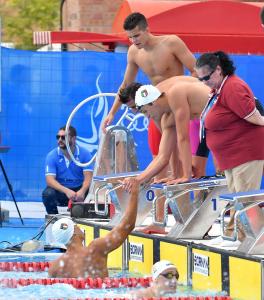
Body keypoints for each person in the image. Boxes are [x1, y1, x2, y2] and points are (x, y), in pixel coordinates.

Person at [102, 12, 196, 160]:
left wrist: (187, 96)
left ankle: (184, 176)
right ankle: (167, 179)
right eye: (130, 37)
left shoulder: (171, 43)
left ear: (147, 29)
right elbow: (126, 84)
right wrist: (112, 113)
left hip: (178, 104)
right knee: (160, 153)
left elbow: (195, 71)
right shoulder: (133, 52)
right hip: (157, 107)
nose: (133, 40)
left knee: (181, 149)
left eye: (137, 35)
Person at [195, 51, 264, 241]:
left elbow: (256, 117)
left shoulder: (232, 87)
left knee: (247, 200)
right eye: (200, 79)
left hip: (246, 153)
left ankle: (256, 241)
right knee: (240, 199)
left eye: (206, 77)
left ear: (218, 70)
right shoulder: (220, 88)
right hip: (234, 156)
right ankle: (244, 238)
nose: (203, 82)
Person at [119, 76, 210, 193]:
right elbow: (164, 155)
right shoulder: (165, 116)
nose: (146, 117)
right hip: (202, 116)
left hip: (215, 115)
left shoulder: (174, 94)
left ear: (153, 103)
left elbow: (183, 138)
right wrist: (137, 179)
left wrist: (186, 174)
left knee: (199, 170)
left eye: (143, 111)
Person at [48, 183, 139, 278]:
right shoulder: (95, 249)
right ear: (73, 232)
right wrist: (134, 193)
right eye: (75, 226)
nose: (78, 226)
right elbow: (127, 226)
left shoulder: (55, 267)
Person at [42, 125, 93, 214]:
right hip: (61, 191)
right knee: (48, 194)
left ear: (73, 139)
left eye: (63, 137)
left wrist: (82, 191)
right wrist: (66, 191)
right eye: (58, 137)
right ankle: (54, 220)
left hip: (79, 190)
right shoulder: (52, 156)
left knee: (92, 193)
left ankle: (83, 220)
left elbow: (88, 177)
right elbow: (49, 180)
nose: (60, 140)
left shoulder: (85, 154)